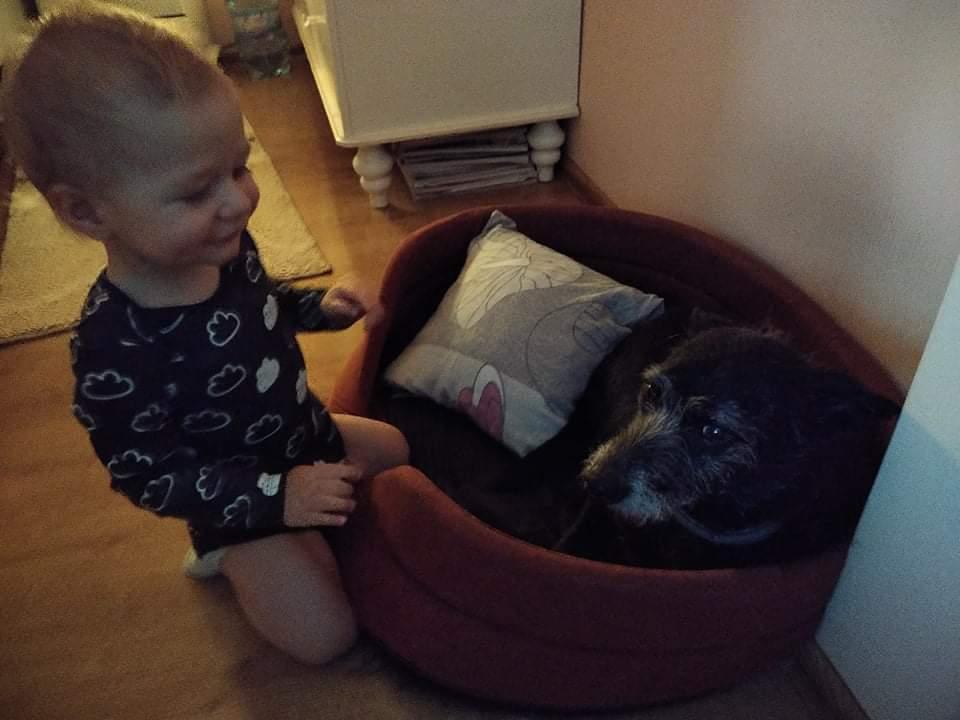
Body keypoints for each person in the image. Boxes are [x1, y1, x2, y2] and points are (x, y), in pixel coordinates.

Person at [2, 4, 408, 665]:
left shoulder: (225, 247)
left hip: (302, 434)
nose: (239, 201)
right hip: (234, 498)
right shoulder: (114, 347)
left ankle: (309, 525)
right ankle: (227, 557)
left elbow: (267, 304)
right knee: (324, 639)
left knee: (397, 448)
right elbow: (148, 476)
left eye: (239, 167)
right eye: (196, 192)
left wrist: (322, 309)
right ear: (86, 211)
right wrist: (277, 499)